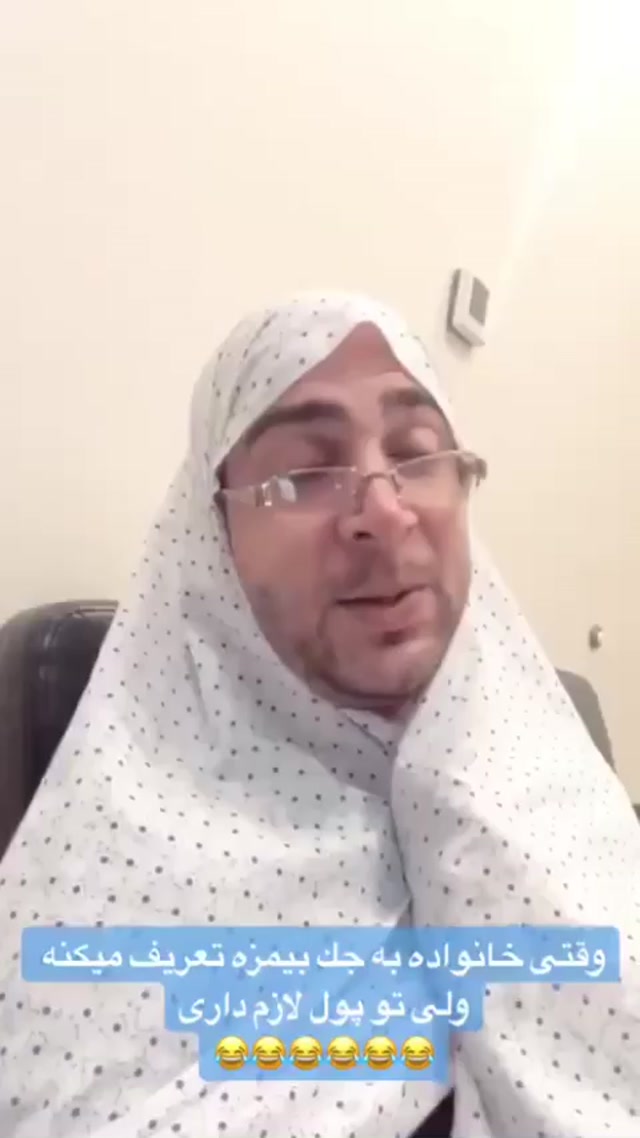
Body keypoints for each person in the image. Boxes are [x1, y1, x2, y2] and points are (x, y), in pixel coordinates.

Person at [0, 292, 639, 1138]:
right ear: (212, 540)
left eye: (417, 453)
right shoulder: (107, 895)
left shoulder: (554, 781)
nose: (386, 512)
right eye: (304, 473)